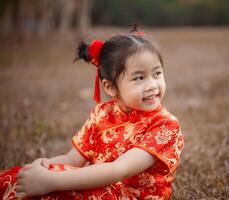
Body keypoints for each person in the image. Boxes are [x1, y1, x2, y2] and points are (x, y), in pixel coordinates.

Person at [0, 27, 184, 200]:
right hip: (100, 187)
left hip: (130, 195)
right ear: (110, 87)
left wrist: (49, 181)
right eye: (139, 78)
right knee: (20, 177)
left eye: (157, 74)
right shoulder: (102, 113)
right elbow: (71, 160)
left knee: (56, 188)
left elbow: (119, 170)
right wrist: (44, 167)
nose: (152, 85)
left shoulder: (165, 125)